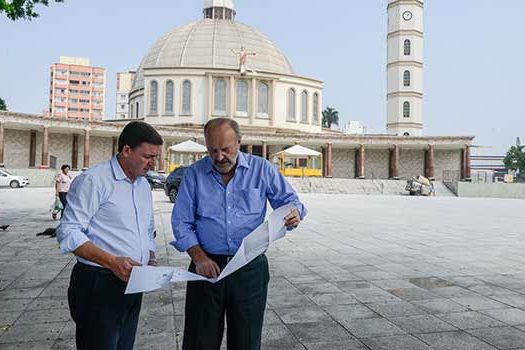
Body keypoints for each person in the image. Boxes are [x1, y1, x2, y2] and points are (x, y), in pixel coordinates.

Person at [172, 118, 306, 350]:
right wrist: (199, 257)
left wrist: (294, 212)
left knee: (246, 339)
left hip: (249, 268)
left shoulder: (261, 169)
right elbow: (181, 222)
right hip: (206, 267)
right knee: (199, 339)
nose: (219, 157)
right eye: (213, 150)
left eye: (226, 149)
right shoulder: (194, 174)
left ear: (239, 142)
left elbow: (290, 201)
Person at [56, 121, 163, 350]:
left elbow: (146, 228)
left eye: (155, 157)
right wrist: (112, 262)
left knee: (124, 344)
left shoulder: (143, 185)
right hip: (99, 282)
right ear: (126, 150)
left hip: (133, 280)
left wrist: (150, 258)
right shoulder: (95, 180)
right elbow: (68, 231)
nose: (153, 163)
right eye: (147, 156)